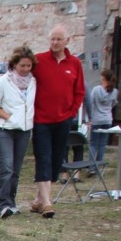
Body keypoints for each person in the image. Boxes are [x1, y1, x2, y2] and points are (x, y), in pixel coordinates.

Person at [30, 25, 86, 218]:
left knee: (56, 161)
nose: (54, 43)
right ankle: (47, 203)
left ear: (67, 41)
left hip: (63, 120)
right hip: (41, 120)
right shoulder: (39, 60)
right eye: (52, 39)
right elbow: (20, 77)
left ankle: (38, 199)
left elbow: (79, 91)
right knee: (43, 158)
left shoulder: (75, 64)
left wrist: (71, 112)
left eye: (58, 39)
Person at [0, 46, 36, 219]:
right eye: (22, 65)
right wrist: (8, 117)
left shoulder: (33, 83)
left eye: (28, 66)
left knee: (16, 168)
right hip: (5, 129)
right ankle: (3, 204)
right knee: (6, 167)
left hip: (23, 130)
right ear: (14, 65)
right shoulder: (3, 81)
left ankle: (11, 201)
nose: (25, 69)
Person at [87, 70, 119, 163]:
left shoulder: (96, 89)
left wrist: (89, 117)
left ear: (104, 78)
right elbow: (113, 104)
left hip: (96, 119)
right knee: (102, 144)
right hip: (107, 119)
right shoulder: (115, 91)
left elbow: (90, 102)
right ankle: (99, 163)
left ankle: (92, 166)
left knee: (93, 143)